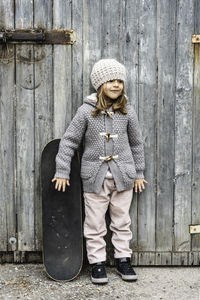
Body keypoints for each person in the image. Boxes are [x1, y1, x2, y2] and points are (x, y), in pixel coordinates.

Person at [52, 59, 148, 284]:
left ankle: (123, 259)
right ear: (99, 84)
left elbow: (136, 144)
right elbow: (69, 141)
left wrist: (139, 172)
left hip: (123, 177)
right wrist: (62, 170)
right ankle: (97, 263)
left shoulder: (127, 111)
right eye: (110, 81)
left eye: (120, 81)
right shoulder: (86, 112)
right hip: (94, 178)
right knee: (94, 223)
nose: (116, 85)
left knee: (121, 221)